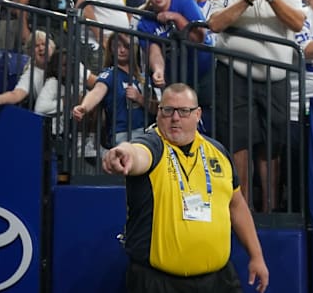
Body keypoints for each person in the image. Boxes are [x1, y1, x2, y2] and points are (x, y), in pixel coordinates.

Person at [101, 83, 268, 293]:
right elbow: (137, 153)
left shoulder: (218, 152)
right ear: (159, 112)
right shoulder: (154, 144)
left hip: (218, 281)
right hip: (158, 283)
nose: (175, 118)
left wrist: (256, 256)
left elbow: (236, 205)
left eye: (184, 111)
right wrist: (123, 153)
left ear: (198, 114)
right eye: (167, 110)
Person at [209, 0, 304, 211]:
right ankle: (243, 210)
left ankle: (270, 210)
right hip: (234, 75)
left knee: (272, 145)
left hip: (276, 77)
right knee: (239, 143)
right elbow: (214, 24)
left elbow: (298, 23)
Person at [73, 33, 150, 147]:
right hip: (123, 134)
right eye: (117, 46)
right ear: (111, 50)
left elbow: (157, 107)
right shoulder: (110, 74)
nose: (122, 50)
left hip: (146, 132)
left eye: (126, 46)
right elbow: (97, 92)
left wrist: (139, 98)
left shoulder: (142, 77)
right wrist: (84, 107)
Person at [0, 30, 55, 110]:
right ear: (30, 52)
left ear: (52, 47)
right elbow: (16, 94)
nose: (41, 48)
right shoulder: (31, 74)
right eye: (36, 46)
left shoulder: (62, 65)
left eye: (44, 44)